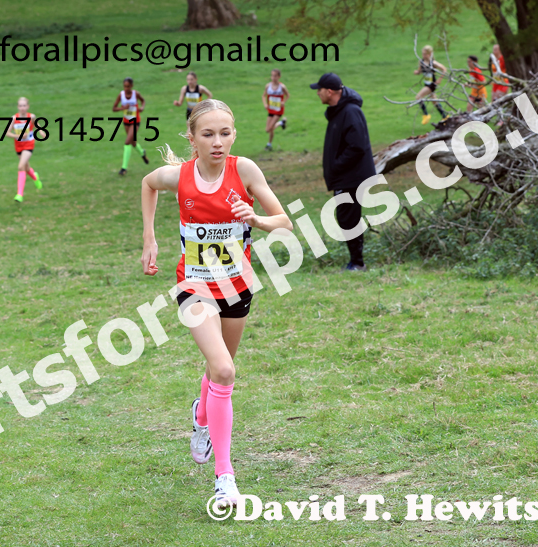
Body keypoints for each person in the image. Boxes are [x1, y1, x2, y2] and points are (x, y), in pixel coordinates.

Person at [140, 99, 293, 508]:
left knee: (217, 370)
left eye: (225, 133)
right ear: (192, 139)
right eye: (208, 134)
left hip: (237, 287)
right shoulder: (180, 176)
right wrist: (150, 238)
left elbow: (285, 221)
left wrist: (256, 219)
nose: (217, 142)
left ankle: (201, 414)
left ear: (234, 134)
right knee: (225, 369)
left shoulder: (245, 170)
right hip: (193, 286)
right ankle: (225, 477)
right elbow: (148, 183)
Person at [311, 72, 376, 272]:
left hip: (352, 177)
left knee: (348, 218)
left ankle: (357, 263)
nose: (317, 94)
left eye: (319, 90)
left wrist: (336, 165)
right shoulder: (339, 112)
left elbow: (357, 146)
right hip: (345, 177)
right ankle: (355, 261)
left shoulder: (350, 111)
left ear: (329, 91)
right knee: (346, 218)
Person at [5, 97, 42, 203]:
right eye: (20, 106)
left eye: (24, 105)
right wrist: (17, 135)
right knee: (26, 167)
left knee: (21, 166)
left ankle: (19, 194)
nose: (22, 108)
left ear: (28, 106)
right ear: (18, 107)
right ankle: (35, 177)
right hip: (19, 146)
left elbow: (36, 124)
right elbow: (7, 132)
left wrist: (41, 131)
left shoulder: (31, 116)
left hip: (29, 144)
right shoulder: (14, 118)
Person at [112, 78, 149, 175]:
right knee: (133, 143)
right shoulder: (121, 95)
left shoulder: (135, 94)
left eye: (128, 86)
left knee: (127, 142)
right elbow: (114, 108)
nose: (126, 88)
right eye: (125, 86)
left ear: (132, 86)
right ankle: (142, 152)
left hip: (135, 122)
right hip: (126, 122)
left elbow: (143, 101)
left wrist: (142, 107)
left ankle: (124, 168)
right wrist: (122, 108)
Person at [413, 45, 448, 124]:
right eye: (423, 54)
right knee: (435, 102)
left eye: (425, 54)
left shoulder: (433, 63)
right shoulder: (421, 62)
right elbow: (420, 71)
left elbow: (444, 69)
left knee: (418, 97)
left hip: (432, 84)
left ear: (430, 54)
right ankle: (445, 117)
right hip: (426, 83)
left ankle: (426, 115)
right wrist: (417, 72)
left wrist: (439, 79)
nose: (424, 55)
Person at [262, 69, 289, 150]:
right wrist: (265, 104)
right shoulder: (268, 86)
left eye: (275, 76)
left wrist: (283, 101)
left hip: (278, 110)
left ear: (279, 77)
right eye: (272, 75)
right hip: (271, 109)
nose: (273, 77)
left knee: (270, 128)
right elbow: (263, 95)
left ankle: (269, 144)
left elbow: (288, 95)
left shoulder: (282, 87)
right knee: (268, 129)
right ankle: (281, 123)